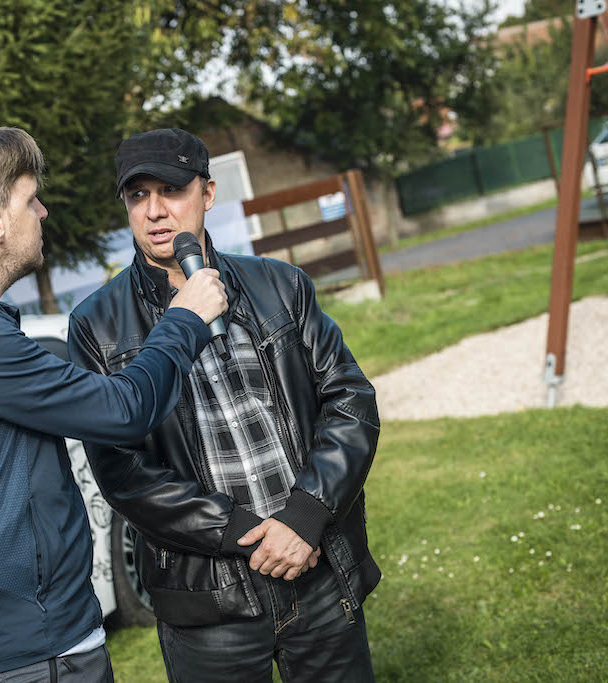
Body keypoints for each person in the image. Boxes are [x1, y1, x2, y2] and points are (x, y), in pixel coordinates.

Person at [0, 124, 228, 683]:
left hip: (40, 643)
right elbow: (123, 411)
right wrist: (185, 317)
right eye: (30, 200)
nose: (42, 212)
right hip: (25, 659)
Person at [65, 128, 381, 682]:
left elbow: (350, 402)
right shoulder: (97, 325)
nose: (155, 211)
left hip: (314, 565)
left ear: (207, 193)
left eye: (171, 190)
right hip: (211, 598)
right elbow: (122, 471)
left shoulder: (280, 285)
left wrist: (305, 516)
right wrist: (242, 532)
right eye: (138, 196)